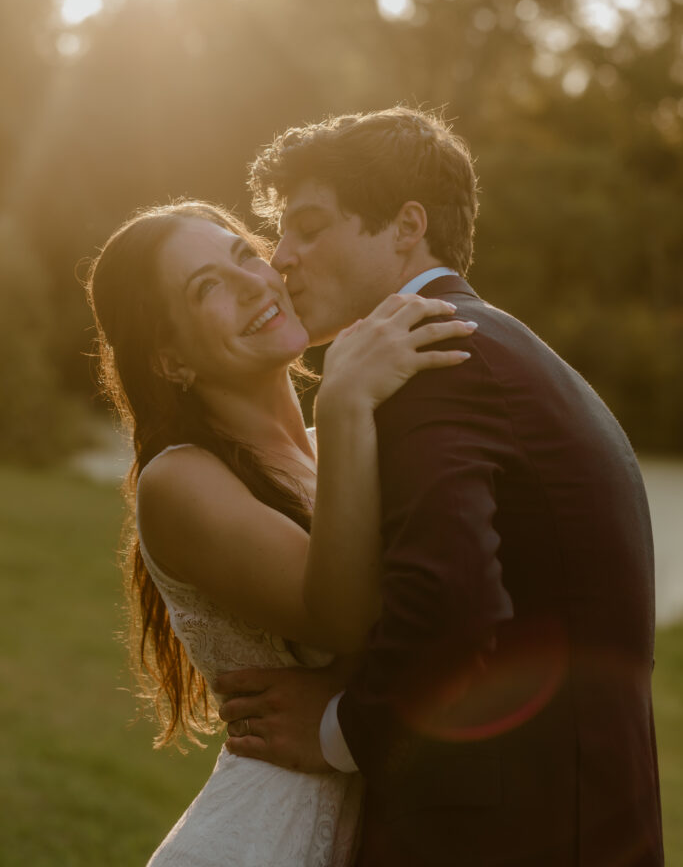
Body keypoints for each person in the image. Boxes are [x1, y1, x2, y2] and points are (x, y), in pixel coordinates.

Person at [217, 107, 664, 866]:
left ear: (405, 224)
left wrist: (340, 730)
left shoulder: (436, 363)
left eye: (310, 226)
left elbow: (450, 599)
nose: (281, 258)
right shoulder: (475, 340)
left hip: (512, 828)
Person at [85, 198, 476, 867]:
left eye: (244, 254)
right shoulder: (178, 482)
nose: (251, 283)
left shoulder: (340, 449)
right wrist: (345, 399)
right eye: (206, 287)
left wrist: (343, 707)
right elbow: (344, 616)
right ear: (169, 359)